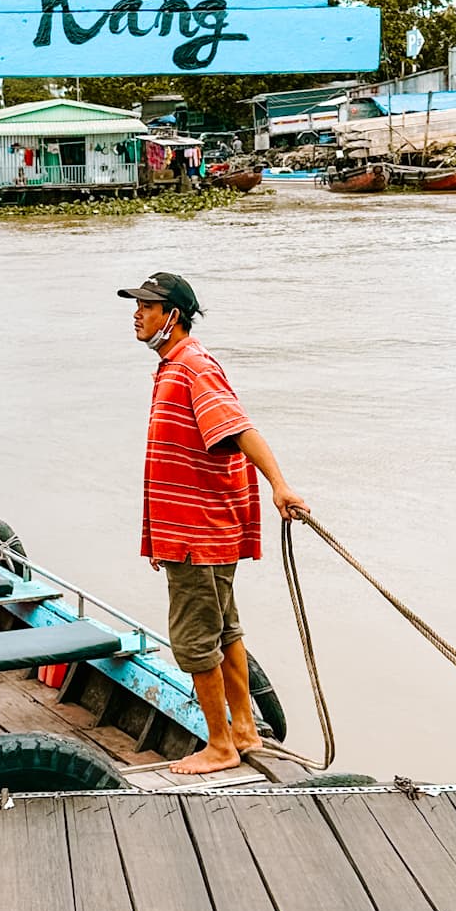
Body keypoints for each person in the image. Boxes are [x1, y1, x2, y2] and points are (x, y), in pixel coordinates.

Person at [119, 270, 309, 775]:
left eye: (146, 306)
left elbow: (240, 427)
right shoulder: (172, 366)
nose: (136, 314)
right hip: (191, 529)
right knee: (225, 630)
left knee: (196, 638)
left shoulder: (193, 367)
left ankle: (221, 745)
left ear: (171, 315)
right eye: (135, 305)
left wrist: (280, 485)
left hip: (198, 533)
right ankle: (244, 730)